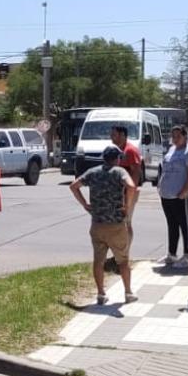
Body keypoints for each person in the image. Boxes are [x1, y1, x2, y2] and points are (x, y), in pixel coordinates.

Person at [70, 145, 138, 305]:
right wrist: (127, 206)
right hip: (116, 224)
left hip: (97, 224)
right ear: (117, 159)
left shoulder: (93, 172)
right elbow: (131, 186)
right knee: (123, 260)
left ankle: (101, 294)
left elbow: (73, 186)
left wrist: (85, 204)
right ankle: (128, 293)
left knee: (98, 260)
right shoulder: (120, 172)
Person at [156, 125, 188, 268]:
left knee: (185, 226)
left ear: (185, 137)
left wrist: (184, 192)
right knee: (172, 225)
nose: (175, 139)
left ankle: (187, 256)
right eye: (173, 136)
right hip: (166, 196)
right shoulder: (171, 150)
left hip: (182, 197)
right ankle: (172, 255)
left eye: (178, 136)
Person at [110, 124, 142, 244]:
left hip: (127, 193)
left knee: (125, 223)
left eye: (114, 135)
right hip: (119, 193)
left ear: (122, 135)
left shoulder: (130, 150)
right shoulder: (118, 150)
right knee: (118, 223)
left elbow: (136, 173)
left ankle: (124, 255)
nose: (111, 137)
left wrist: (129, 195)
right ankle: (120, 254)